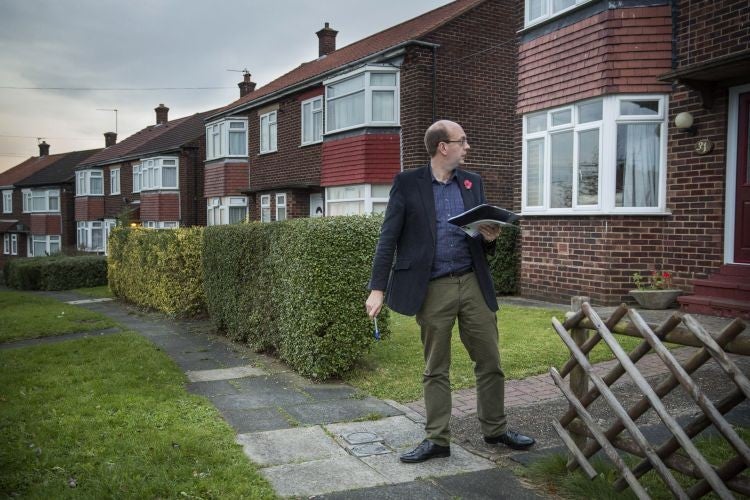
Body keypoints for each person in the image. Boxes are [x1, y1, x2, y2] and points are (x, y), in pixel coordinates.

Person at [365, 119, 535, 463]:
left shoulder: (473, 183)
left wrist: (489, 238)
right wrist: (377, 289)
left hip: (473, 282)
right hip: (432, 287)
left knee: (490, 360)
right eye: (463, 141)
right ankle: (437, 439)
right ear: (444, 146)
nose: (467, 146)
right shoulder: (407, 184)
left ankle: (495, 429)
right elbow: (388, 239)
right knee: (435, 367)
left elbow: (482, 239)